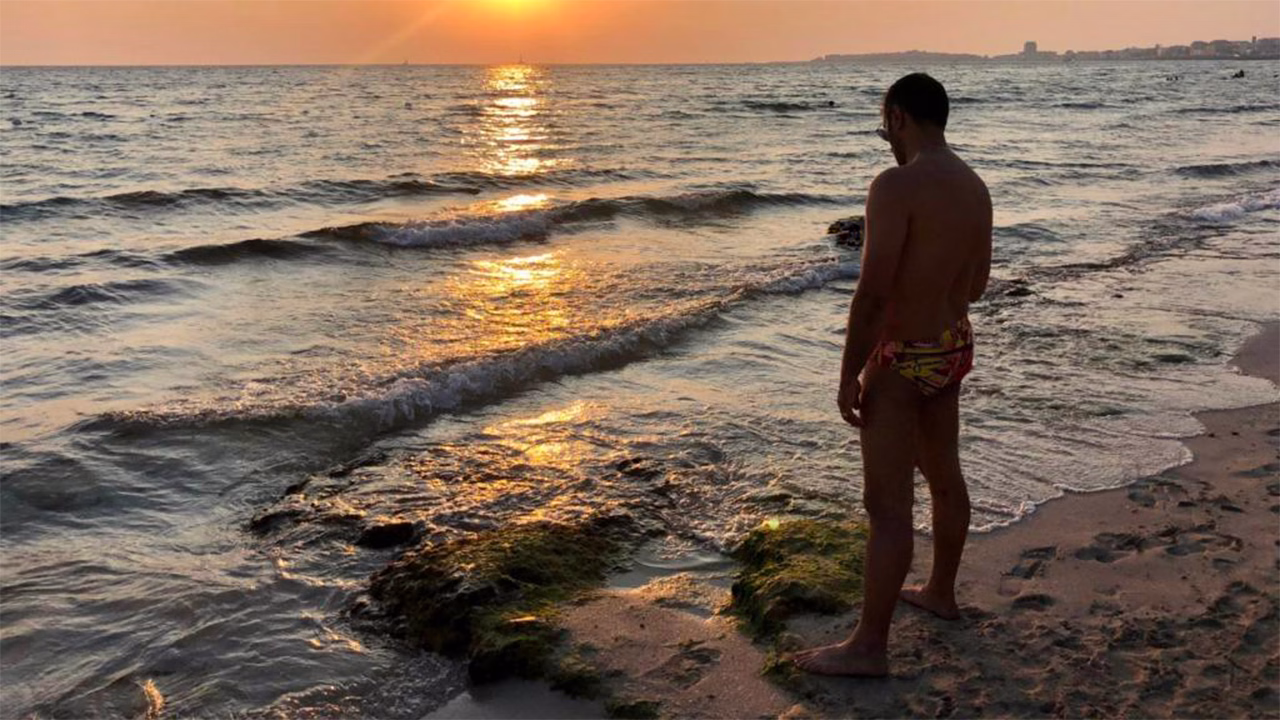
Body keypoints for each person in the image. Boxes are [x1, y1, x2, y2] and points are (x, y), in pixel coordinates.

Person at [793, 73, 993, 677]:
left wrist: (849, 372)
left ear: (899, 116)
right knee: (944, 476)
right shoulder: (974, 186)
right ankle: (941, 593)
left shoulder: (895, 184)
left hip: (902, 357)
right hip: (953, 346)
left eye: (885, 124)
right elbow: (978, 285)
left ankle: (868, 647)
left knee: (886, 507)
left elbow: (873, 292)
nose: (886, 136)